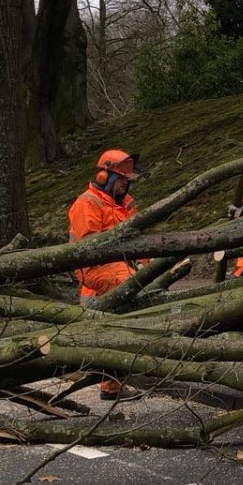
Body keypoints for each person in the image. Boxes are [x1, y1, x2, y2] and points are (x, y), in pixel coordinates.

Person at [68, 149, 145, 402]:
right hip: (97, 270)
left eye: (127, 179)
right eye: (121, 179)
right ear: (104, 176)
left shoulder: (127, 203)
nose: (125, 183)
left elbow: (140, 239)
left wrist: (146, 266)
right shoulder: (88, 203)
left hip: (121, 266)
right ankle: (110, 385)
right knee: (126, 299)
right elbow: (91, 246)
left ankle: (111, 381)